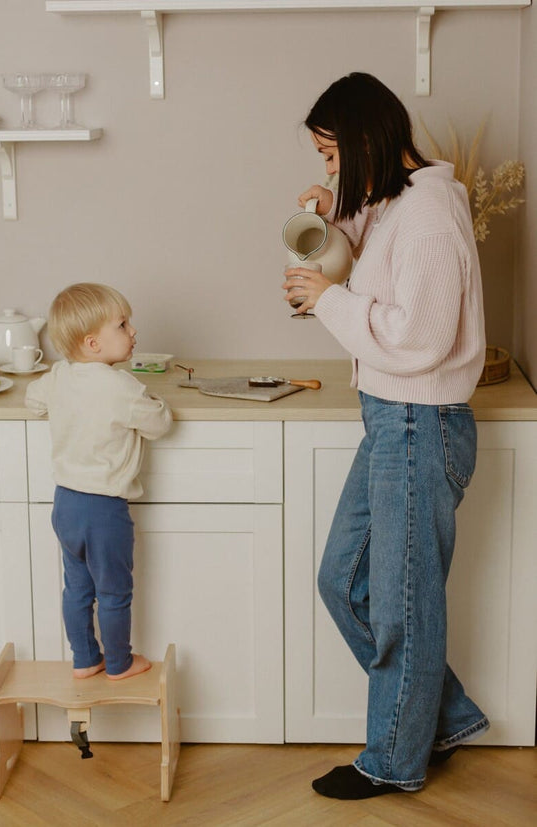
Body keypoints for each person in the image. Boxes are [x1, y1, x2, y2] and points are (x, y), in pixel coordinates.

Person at [283, 72, 489, 799]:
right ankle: (447, 713)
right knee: (345, 580)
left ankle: (395, 760)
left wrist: (328, 298)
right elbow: (380, 255)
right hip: (392, 420)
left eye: (332, 155)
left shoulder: (431, 214)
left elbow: (421, 337)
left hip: (416, 421)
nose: (329, 168)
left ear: (367, 138)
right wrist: (334, 213)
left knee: (403, 603)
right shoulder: (406, 203)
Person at [25, 282, 172, 680]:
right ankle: (121, 664)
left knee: (77, 589)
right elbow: (158, 425)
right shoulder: (121, 387)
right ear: (93, 343)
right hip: (104, 510)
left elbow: (33, 400)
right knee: (113, 592)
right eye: (123, 325)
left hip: (66, 504)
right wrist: (158, 402)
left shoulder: (59, 376)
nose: (133, 332)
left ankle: (86, 659)